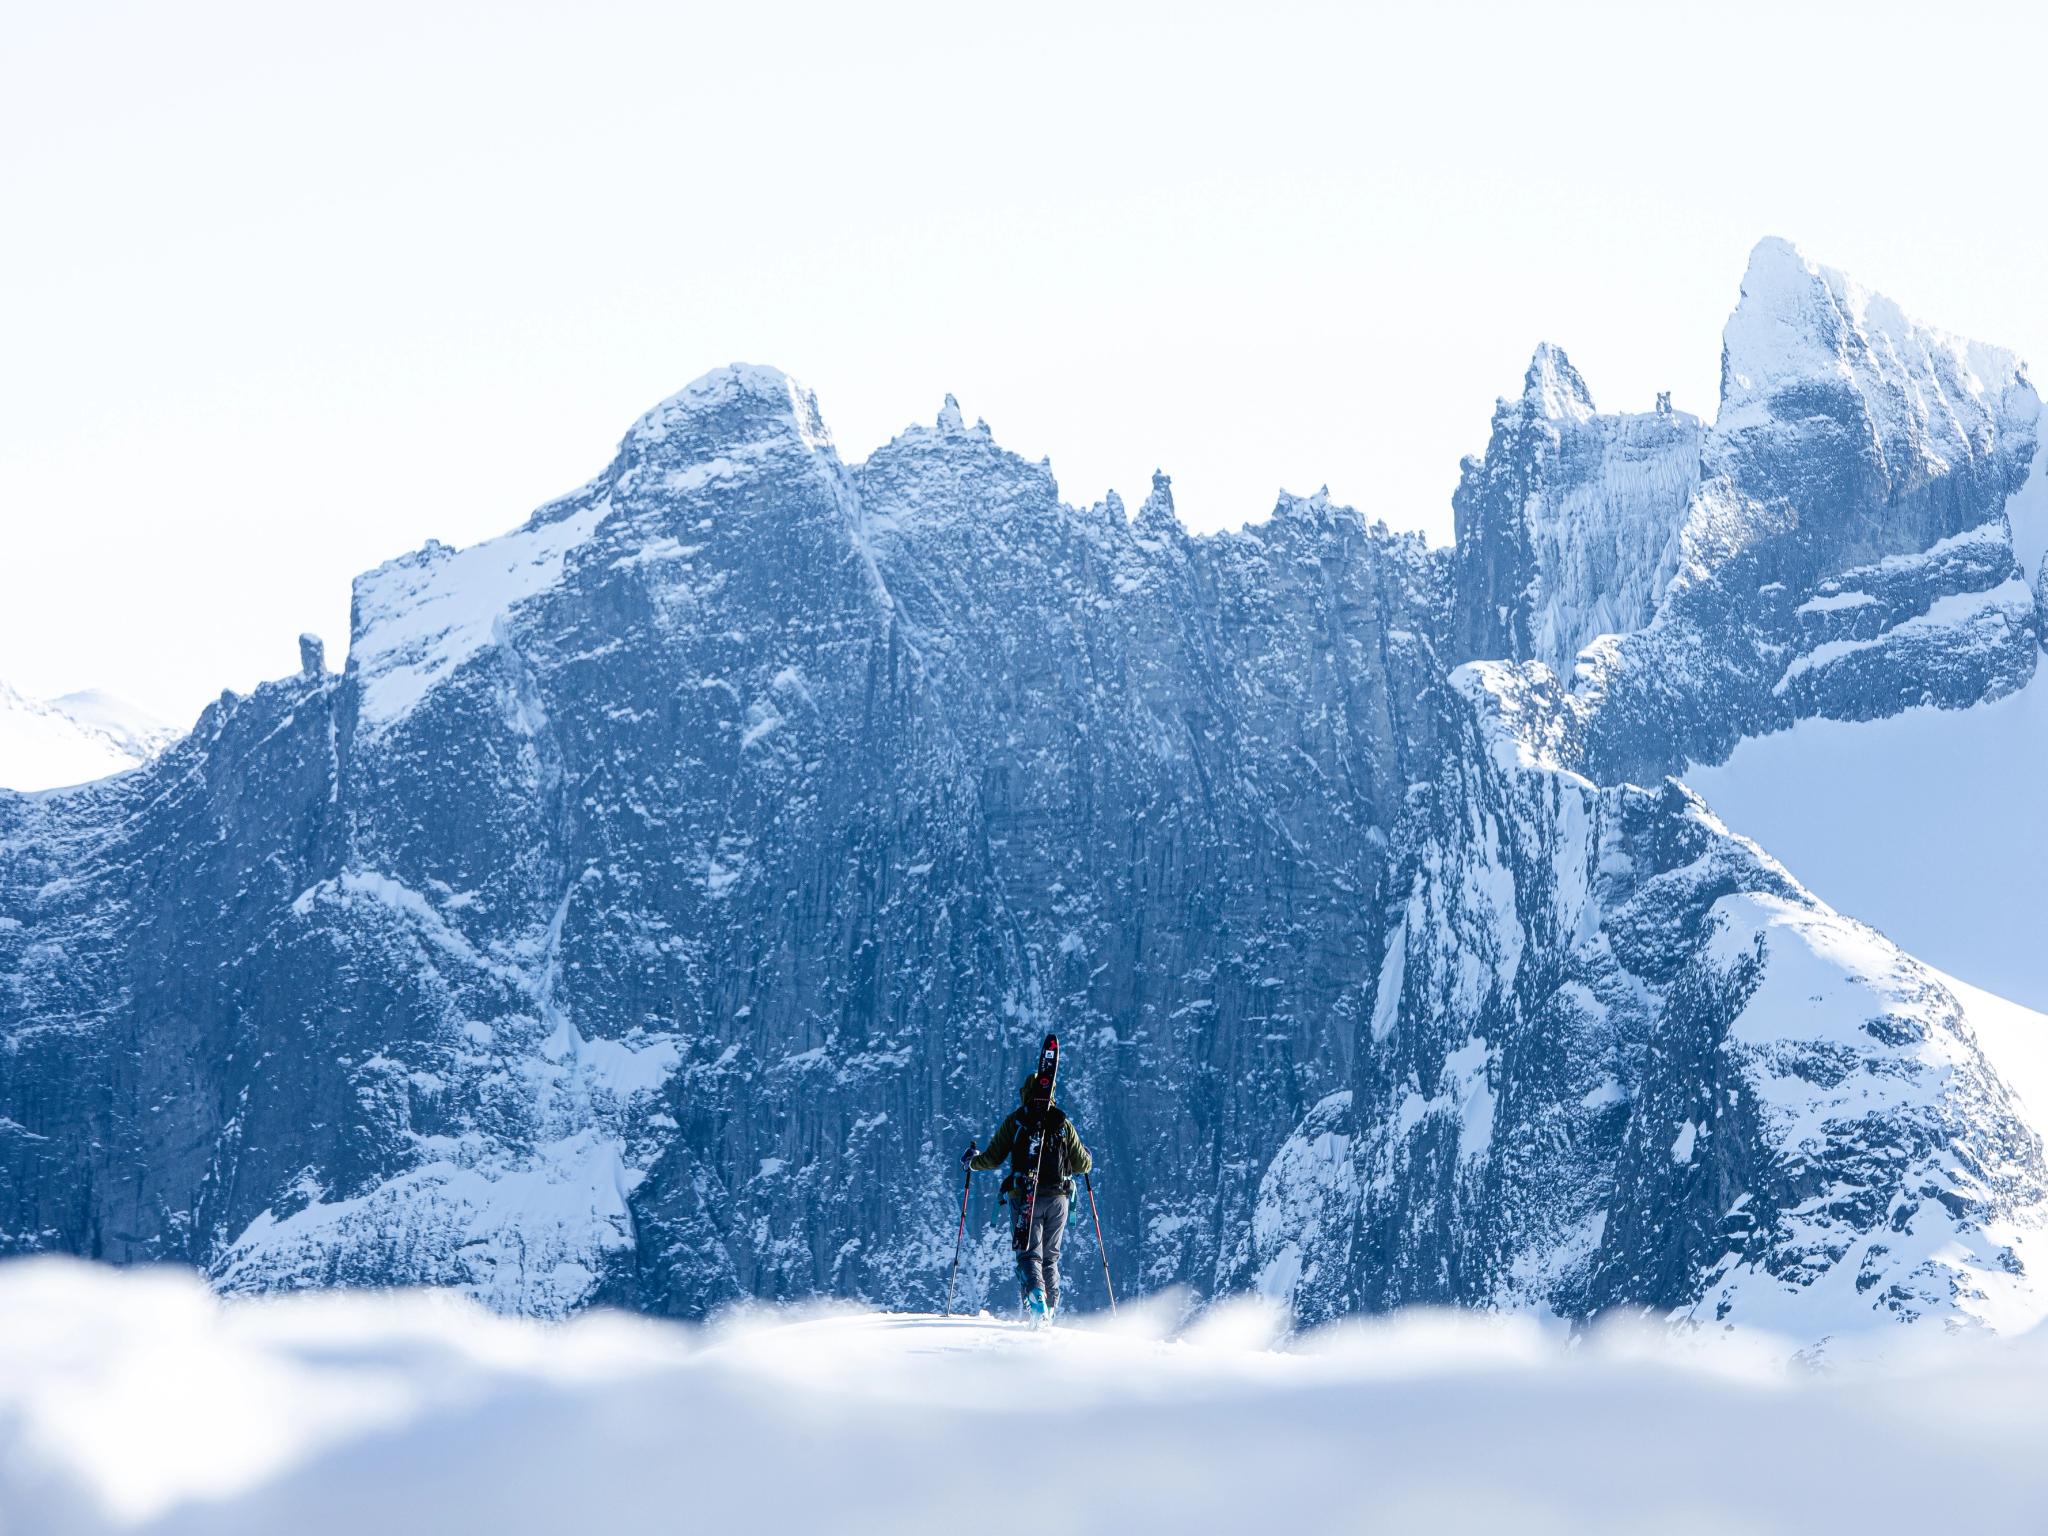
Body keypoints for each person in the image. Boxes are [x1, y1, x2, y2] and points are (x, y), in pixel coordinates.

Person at [962, 1073, 1092, 1319]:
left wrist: (971, 1162)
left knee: (1029, 1254)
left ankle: (1036, 1298)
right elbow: (1082, 1165)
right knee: (1050, 1257)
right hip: (1059, 1199)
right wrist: (1087, 1154)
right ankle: (1050, 1309)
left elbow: (992, 1158)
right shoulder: (1062, 1123)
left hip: (1026, 1197)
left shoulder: (1018, 1121)